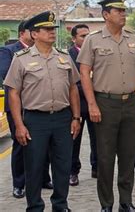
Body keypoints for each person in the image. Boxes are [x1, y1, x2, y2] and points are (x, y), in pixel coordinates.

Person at [77, 0, 135, 212]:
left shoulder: (134, 39)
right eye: (118, 10)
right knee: (106, 157)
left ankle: (126, 201)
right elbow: (84, 73)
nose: (123, 14)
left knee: (129, 156)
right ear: (105, 14)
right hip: (105, 103)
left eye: (124, 10)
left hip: (130, 103)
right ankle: (106, 204)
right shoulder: (93, 40)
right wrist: (91, 104)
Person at [3, 11, 81, 211]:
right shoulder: (21, 59)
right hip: (35, 120)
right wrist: (19, 125)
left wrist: (76, 117)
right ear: (34, 34)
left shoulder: (63, 57)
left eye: (53, 29)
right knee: (35, 166)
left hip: (63, 118)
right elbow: (13, 93)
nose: (52, 33)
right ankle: (35, 206)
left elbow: (73, 88)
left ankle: (60, 205)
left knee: (62, 166)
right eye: (46, 29)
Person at [0, 21, 53, 199]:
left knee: (45, 144)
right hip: (18, 106)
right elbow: (7, 74)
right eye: (33, 31)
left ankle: (44, 178)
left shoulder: (45, 51)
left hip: (40, 105)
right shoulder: (8, 51)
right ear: (23, 33)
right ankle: (19, 184)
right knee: (21, 144)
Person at [68, 24, 98, 186]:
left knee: (98, 139)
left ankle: (97, 167)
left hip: (96, 104)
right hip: (76, 105)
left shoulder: (97, 53)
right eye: (82, 36)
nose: (86, 39)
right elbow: (71, 83)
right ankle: (73, 172)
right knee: (74, 140)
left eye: (88, 35)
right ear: (74, 39)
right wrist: (89, 86)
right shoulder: (68, 56)